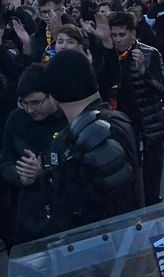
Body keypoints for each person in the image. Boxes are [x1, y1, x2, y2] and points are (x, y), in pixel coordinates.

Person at [43, 50, 143, 231]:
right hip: (128, 240)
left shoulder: (88, 132)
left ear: (53, 92)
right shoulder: (116, 119)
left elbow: (119, 204)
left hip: (101, 247)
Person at [0, 65, 67, 244]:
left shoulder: (68, 121)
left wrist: (44, 171)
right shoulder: (17, 119)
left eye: (36, 103)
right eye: (24, 103)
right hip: (28, 217)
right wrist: (21, 176)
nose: (30, 110)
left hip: (65, 216)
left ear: (52, 95)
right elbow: (5, 162)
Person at [108, 11, 164, 205]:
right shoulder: (108, 57)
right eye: (114, 35)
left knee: (151, 187)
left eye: (122, 35)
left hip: (149, 131)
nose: (117, 40)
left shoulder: (150, 54)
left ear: (133, 34)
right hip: (121, 131)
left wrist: (144, 71)